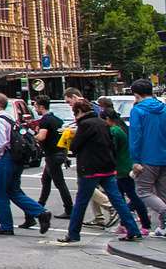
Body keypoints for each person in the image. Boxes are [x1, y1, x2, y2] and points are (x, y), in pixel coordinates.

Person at [51, 92, 144, 244]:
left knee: (81, 202)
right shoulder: (102, 123)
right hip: (107, 167)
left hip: (89, 168)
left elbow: (75, 147)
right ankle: (133, 229)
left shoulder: (85, 125)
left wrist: (71, 137)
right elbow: (110, 144)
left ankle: (73, 234)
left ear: (79, 112)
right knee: (118, 200)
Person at [0, 93, 51, 236]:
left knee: (0, 193)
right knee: (14, 191)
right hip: (16, 159)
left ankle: (6, 226)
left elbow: (1, 142)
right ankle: (41, 213)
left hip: (4, 158)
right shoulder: (9, 117)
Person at [93, 97, 153, 234]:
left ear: (107, 119)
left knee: (130, 197)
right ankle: (126, 223)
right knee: (122, 198)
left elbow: (111, 150)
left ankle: (144, 224)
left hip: (122, 168)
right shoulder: (120, 127)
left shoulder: (114, 131)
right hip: (123, 167)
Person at [128, 79, 166, 237]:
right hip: (164, 156)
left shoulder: (138, 110)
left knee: (143, 191)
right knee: (163, 192)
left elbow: (136, 136)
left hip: (146, 157)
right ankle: (163, 227)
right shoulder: (164, 108)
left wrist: (135, 160)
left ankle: (165, 214)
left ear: (137, 95)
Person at [31, 94, 73, 221]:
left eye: (36, 106)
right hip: (60, 153)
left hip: (52, 155)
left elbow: (42, 136)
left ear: (42, 107)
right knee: (46, 181)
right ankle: (39, 206)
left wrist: (33, 135)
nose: (35, 109)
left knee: (59, 183)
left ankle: (69, 209)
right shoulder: (57, 119)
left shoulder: (45, 120)